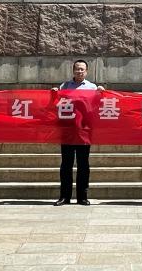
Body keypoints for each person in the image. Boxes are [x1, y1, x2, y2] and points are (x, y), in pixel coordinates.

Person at [55, 59, 97, 206]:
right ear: (73, 71)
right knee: (66, 164)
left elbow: (96, 107)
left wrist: (102, 93)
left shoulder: (92, 87)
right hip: (67, 130)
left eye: (82, 69)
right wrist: (54, 94)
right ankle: (64, 196)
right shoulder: (65, 86)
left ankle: (82, 197)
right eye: (77, 69)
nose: (79, 71)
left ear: (86, 71)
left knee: (83, 164)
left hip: (84, 131)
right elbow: (57, 105)